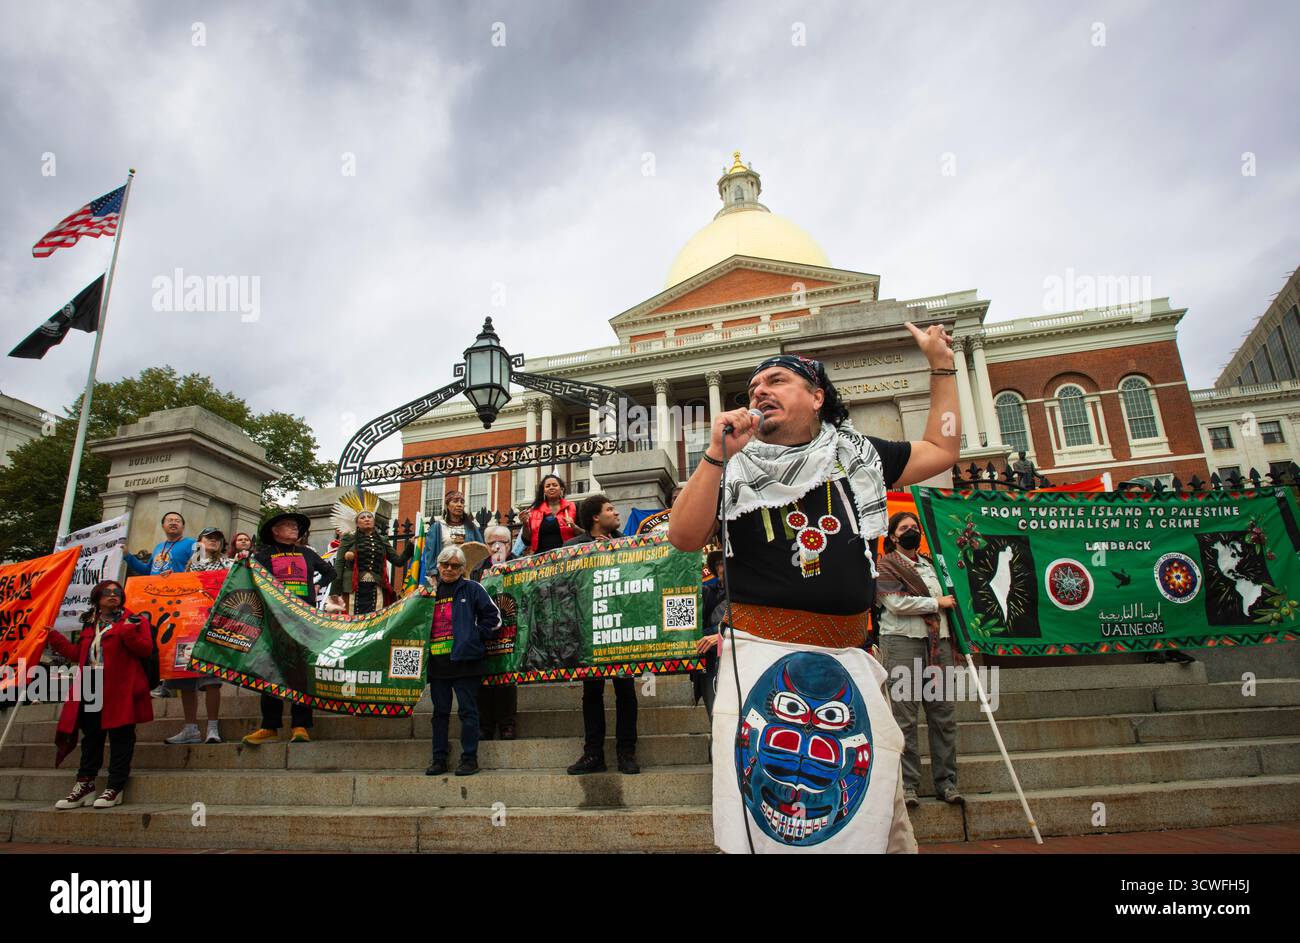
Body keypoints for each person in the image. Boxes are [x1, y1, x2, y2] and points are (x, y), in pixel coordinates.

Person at [668, 322, 961, 854]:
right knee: (773, 812)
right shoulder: (731, 466)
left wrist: (941, 365)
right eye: (753, 389)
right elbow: (684, 536)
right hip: (760, 655)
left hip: (851, 654)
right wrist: (715, 455)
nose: (759, 392)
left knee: (872, 803)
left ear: (817, 396)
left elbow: (942, 449)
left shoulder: (858, 455)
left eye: (776, 380)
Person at [876, 510, 962, 808]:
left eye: (915, 527)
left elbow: (955, 597)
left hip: (940, 646)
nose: (911, 531)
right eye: (904, 528)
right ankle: (909, 785)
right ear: (893, 536)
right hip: (903, 643)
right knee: (905, 718)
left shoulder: (933, 565)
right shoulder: (885, 565)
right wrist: (934, 602)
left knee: (943, 715)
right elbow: (896, 603)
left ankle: (947, 782)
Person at [46, 580, 154, 809]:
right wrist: (54, 638)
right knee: (92, 736)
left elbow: (146, 649)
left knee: (120, 737)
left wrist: (127, 633)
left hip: (120, 687)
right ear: (97, 598)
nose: (113, 595)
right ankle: (85, 784)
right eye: (107, 592)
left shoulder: (135, 620)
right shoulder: (89, 623)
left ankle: (115, 786)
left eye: (117, 592)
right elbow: (79, 654)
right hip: (91, 684)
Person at [242, 511, 336, 745]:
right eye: (288, 525)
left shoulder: (306, 553)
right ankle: (269, 726)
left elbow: (330, 572)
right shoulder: (264, 555)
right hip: (275, 620)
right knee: (271, 670)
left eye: (296, 526)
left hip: (304, 620)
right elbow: (249, 578)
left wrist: (316, 587)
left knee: (301, 672)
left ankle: (301, 725)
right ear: (275, 531)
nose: (294, 528)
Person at [562, 493, 640, 775]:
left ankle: (627, 752)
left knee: (626, 690)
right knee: (592, 692)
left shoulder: (627, 543)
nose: (616, 512)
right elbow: (564, 585)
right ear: (595, 517)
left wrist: (616, 554)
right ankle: (593, 754)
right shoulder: (572, 547)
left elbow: (639, 578)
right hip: (589, 629)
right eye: (610, 508)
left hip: (621, 626)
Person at [425, 545, 502, 777]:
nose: (449, 569)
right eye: (445, 565)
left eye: (455, 565)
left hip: (466, 662)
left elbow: (494, 618)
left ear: (462, 568)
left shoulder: (472, 589)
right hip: (438, 664)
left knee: (468, 712)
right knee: (439, 714)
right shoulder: (428, 594)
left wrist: (475, 636)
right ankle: (439, 759)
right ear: (438, 566)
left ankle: (469, 759)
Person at [158, 529, 230, 745]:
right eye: (209, 538)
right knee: (185, 680)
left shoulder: (228, 564)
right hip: (188, 627)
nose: (213, 541)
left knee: (212, 680)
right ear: (199, 542)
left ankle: (212, 727)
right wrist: (167, 580)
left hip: (213, 627)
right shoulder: (187, 566)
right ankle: (190, 728)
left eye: (217, 539)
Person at [475, 524, 518, 741]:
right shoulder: (477, 568)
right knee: (484, 679)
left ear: (510, 544)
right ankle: (486, 724)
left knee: (507, 678)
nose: (497, 546)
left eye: (502, 542)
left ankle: (507, 722)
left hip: (511, 629)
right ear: (486, 545)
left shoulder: (520, 563)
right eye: (492, 543)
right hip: (486, 630)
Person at [334, 510, 413, 614]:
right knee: (351, 620)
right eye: (362, 518)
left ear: (374, 521)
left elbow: (398, 561)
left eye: (369, 517)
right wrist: (334, 590)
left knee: (374, 619)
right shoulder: (349, 538)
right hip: (352, 587)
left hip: (376, 586)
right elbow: (339, 563)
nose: (366, 519)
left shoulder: (383, 539)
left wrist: (411, 545)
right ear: (357, 523)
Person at [420, 490, 486, 586]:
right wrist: (433, 576)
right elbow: (430, 553)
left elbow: (481, 551)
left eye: (462, 502)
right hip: (444, 575)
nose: (459, 505)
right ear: (447, 505)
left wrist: (473, 569)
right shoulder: (437, 527)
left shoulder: (471, 527)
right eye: (455, 501)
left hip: (466, 576)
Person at [693, 550, 727, 718]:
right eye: (719, 563)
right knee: (715, 718)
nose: (723, 567)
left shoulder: (751, 595)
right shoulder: (706, 593)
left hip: (740, 659)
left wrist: (721, 638)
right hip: (710, 665)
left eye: (726, 561)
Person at [519, 474, 578, 555]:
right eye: (548, 486)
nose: (551, 487)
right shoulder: (534, 511)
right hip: (542, 560)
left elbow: (584, 533)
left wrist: (574, 526)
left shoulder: (573, 507)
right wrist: (525, 524)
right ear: (544, 491)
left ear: (561, 489)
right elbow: (527, 541)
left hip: (567, 556)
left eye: (555, 485)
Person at [124, 511, 196, 576]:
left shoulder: (192, 543)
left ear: (183, 527)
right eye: (170, 520)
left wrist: (176, 576)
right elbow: (147, 570)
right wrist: (128, 556)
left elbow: (199, 570)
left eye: (177, 521)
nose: (173, 523)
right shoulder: (159, 546)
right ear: (163, 526)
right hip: (154, 588)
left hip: (177, 588)